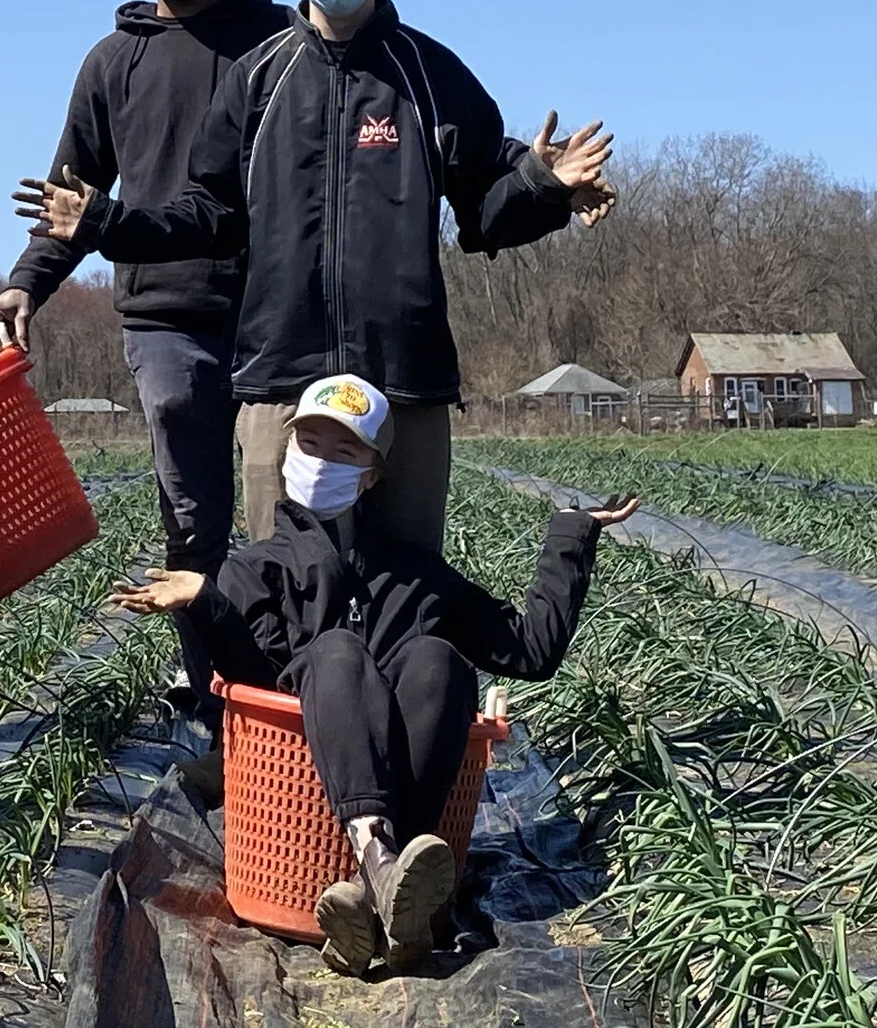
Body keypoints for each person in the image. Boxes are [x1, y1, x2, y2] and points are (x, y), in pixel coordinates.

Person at [16, 0, 614, 553]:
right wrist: (109, 224)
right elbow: (208, 213)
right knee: (287, 593)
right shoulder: (258, 78)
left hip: (404, 383)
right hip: (283, 382)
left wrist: (543, 184)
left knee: (407, 595)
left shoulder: (429, 72)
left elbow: (483, 212)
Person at [109, 375, 638, 977]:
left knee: (437, 659)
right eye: (309, 443)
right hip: (296, 794)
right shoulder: (255, 569)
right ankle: (384, 872)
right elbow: (255, 680)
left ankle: (379, 884)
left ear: (371, 475)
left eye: (344, 451)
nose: (321, 460)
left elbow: (529, 651)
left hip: (377, 811)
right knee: (335, 652)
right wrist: (207, 602)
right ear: (287, 455)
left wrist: (571, 535)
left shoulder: (417, 575)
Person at [0, 0, 286, 738]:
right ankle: (216, 697)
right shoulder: (114, 62)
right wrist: (27, 279)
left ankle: (284, 692)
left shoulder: (273, 42)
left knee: (280, 507)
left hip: (273, 315)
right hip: (164, 320)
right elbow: (73, 191)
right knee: (193, 518)